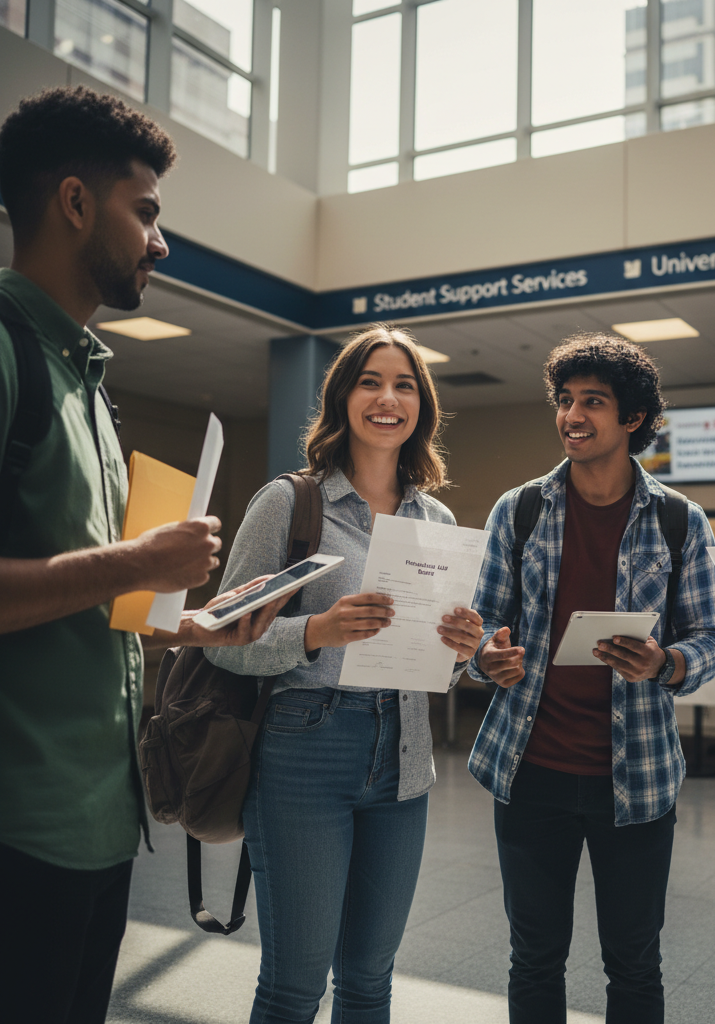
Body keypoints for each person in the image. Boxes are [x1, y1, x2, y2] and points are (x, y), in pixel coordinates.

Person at [0, 86, 291, 1024]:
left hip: (101, 824)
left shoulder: (88, 382)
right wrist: (135, 564)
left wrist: (193, 622)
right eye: (147, 212)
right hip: (18, 825)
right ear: (76, 202)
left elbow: (84, 606)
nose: (160, 241)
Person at [206, 324, 485, 1024]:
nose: (388, 398)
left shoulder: (437, 519)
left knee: (369, 978)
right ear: (342, 397)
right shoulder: (288, 503)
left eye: (404, 385)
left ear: (422, 404)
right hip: (305, 748)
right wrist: (316, 632)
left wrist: (456, 650)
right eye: (370, 381)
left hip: (404, 756)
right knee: (296, 985)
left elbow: (434, 671)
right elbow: (221, 642)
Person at [465, 333, 715, 1024]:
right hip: (530, 771)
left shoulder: (678, 520)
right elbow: (480, 625)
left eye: (592, 401)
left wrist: (666, 662)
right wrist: (484, 659)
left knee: (635, 963)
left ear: (633, 418)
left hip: (635, 775)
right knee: (534, 957)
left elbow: (712, 634)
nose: (571, 415)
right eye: (564, 400)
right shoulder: (518, 510)